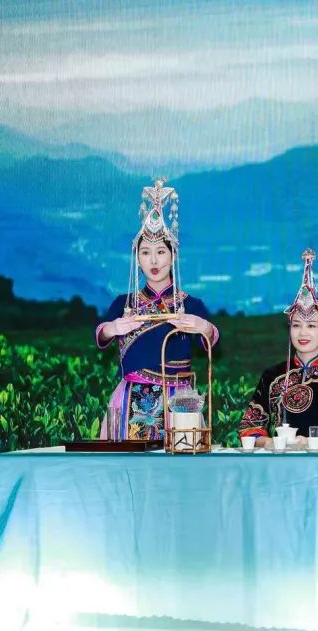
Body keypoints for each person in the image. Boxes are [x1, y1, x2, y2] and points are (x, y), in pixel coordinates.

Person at [96, 179, 219, 440]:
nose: (153, 260)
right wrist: (113, 328)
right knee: (127, 462)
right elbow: (102, 335)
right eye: (145, 252)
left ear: (173, 255)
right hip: (130, 398)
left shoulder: (191, 305)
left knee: (178, 462)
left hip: (179, 402)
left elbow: (211, 341)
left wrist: (203, 327)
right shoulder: (124, 303)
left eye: (161, 252)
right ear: (137, 258)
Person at [238, 249, 318, 448]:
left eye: (312, 325)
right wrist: (272, 442)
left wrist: (316, 443)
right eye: (296, 325)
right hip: (281, 461)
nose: (303, 333)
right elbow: (249, 428)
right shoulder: (272, 376)